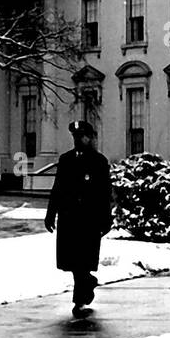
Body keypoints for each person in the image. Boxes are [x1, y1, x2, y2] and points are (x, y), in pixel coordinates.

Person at [45, 120, 112, 316]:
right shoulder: (66, 160)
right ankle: (86, 284)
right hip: (69, 218)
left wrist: (106, 219)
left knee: (83, 260)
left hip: (89, 219)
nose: (77, 140)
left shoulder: (99, 161)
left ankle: (79, 299)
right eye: (75, 136)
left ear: (89, 137)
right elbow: (57, 189)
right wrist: (50, 214)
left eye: (81, 136)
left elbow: (105, 193)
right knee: (73, 261)